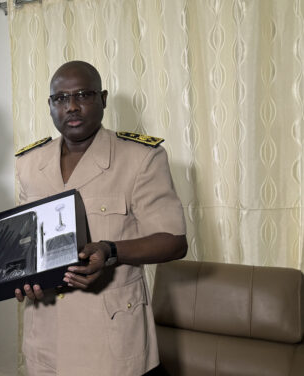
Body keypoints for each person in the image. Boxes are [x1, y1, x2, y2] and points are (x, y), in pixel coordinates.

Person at [14, 61, 187, 375]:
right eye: (61, 99)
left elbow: (174, 242)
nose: (72, 107)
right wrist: (20, 278)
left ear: (103, 98)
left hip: (110, 336)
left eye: (83, 95)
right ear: (50, 106)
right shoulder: (29, 163)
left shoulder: (140, 158)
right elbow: (28, 248)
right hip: (46, 334)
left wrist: (111, 250)